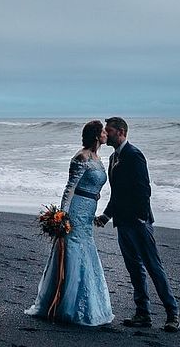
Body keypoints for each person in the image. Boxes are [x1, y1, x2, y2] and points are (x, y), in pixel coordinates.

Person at [25, 120, 115, 326]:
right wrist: (62, 215)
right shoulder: (81, 157)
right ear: (95, 136)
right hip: (76, 211)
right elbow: (70, 188)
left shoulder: (98, 158)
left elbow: (93, 184)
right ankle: (65, 303)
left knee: (86, 250)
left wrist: (96, 197)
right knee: (73, 250)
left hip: (88, 210)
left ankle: (86, 302)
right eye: (102, 132)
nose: (105, 135)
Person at [95, 116, 180, 331]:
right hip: (123, 222)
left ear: (121, 132)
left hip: (139, 222)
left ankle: (173, 313)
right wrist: (107, 216)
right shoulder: (114, 158)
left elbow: (144, 189)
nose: (107, 134)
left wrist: (142, 217)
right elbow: (118, 193)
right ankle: (143, 313)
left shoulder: (134, 155)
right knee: (134, 269)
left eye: (110, 130)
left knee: (153, 267)